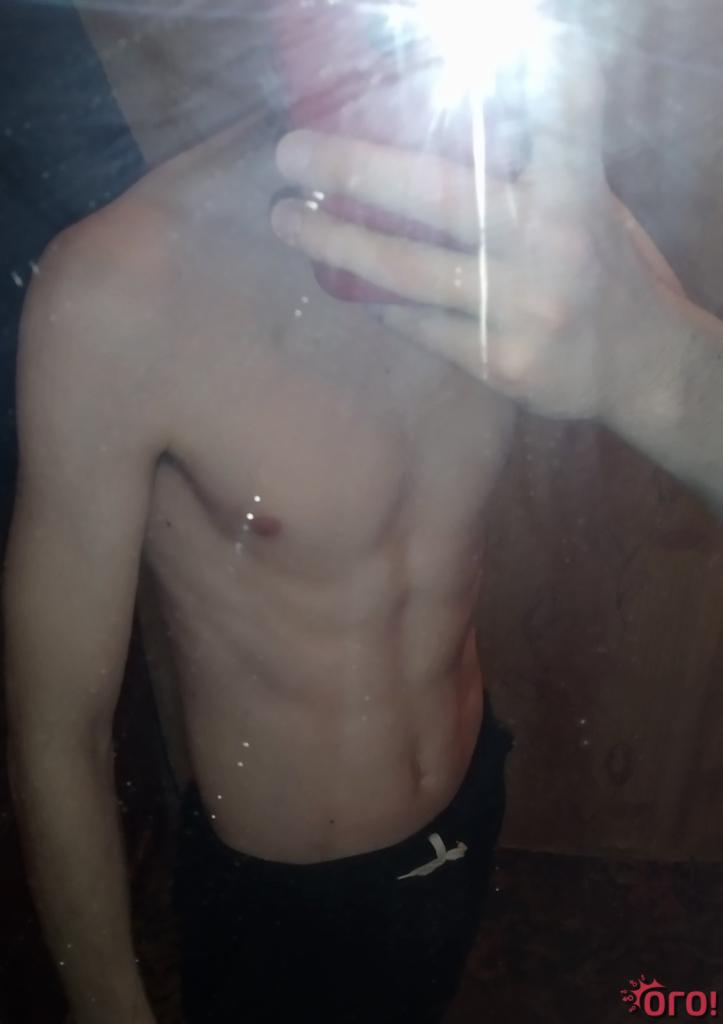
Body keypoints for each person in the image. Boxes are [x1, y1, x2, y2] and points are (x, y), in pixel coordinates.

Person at [4, 8, 722, 1024]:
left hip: (468, 803)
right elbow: (57, 729)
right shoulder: (119, 291)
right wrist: (108, 1005)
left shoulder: (534, 236)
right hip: (282, 892)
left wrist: (665, 367)